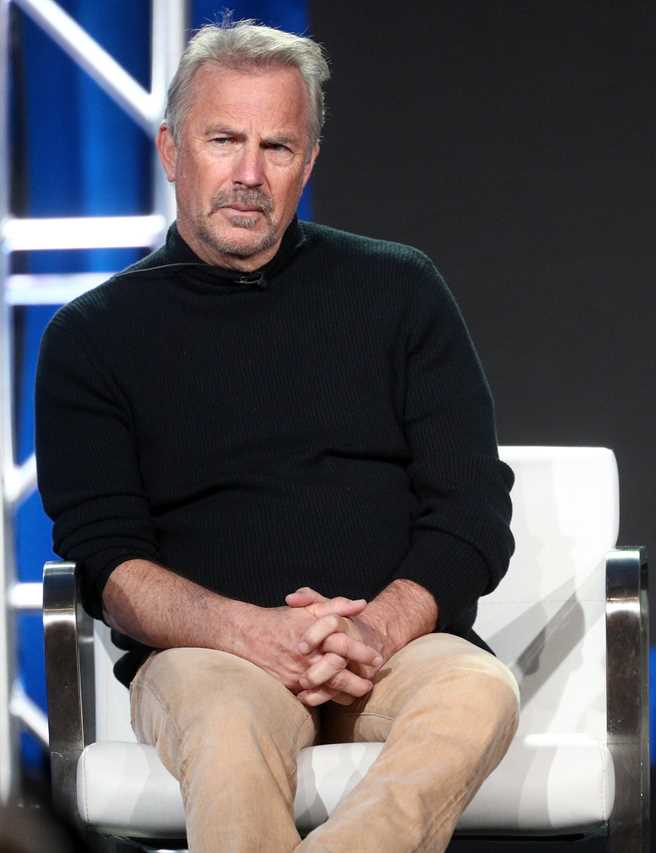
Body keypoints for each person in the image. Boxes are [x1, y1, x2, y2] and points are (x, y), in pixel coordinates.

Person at [35, 19, 519, 853]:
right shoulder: (93, 336)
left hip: (386, 651)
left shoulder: (399, 290)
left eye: (279, 146)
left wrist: (371, 630)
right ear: (171, 148)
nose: (250, 174)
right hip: (209, 659)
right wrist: (253, 633)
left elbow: (472, 514)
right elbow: (108, 565)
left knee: (480, 691)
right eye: (224, 139)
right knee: (225, 730)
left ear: (311, 162)